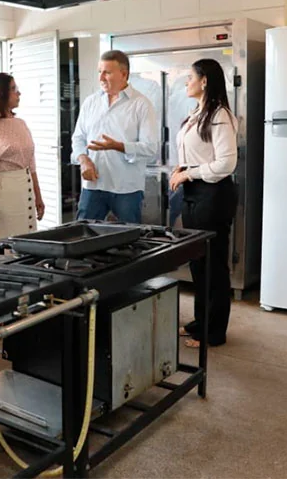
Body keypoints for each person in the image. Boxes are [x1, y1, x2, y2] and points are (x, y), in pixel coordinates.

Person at [169, 59, 238, 348]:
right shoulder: (198, 113)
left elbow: (226, 163)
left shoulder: (220, 115)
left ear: (205, 80)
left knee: (213, 266)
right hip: (194, 193)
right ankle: (201, 322)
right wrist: (182, 168)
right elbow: (198, 153)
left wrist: (189, 173)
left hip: (213, 195)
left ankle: (214, 332)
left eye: (190, 77)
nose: (187, 82)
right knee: (198, 263)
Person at [71, 50, 158, 223]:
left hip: (127, 189)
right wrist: (84, 160)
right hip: (93, 186)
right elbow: (78, 138)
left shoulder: (141, 104)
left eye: (107, 72)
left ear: (124, 74)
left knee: (129, 237)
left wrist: (118, 146)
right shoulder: (90, 102)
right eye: (99, 72)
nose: (101, 78)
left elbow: (150, 148)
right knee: (83, 234)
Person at [0, 73, 45, 243]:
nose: (19, 93)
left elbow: (31, 164)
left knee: (26, 242)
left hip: (23, 190)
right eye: (13, 89)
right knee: (3, 246)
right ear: (0, 93)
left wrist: (38, 196)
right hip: (1, 195)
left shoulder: (21, 124)